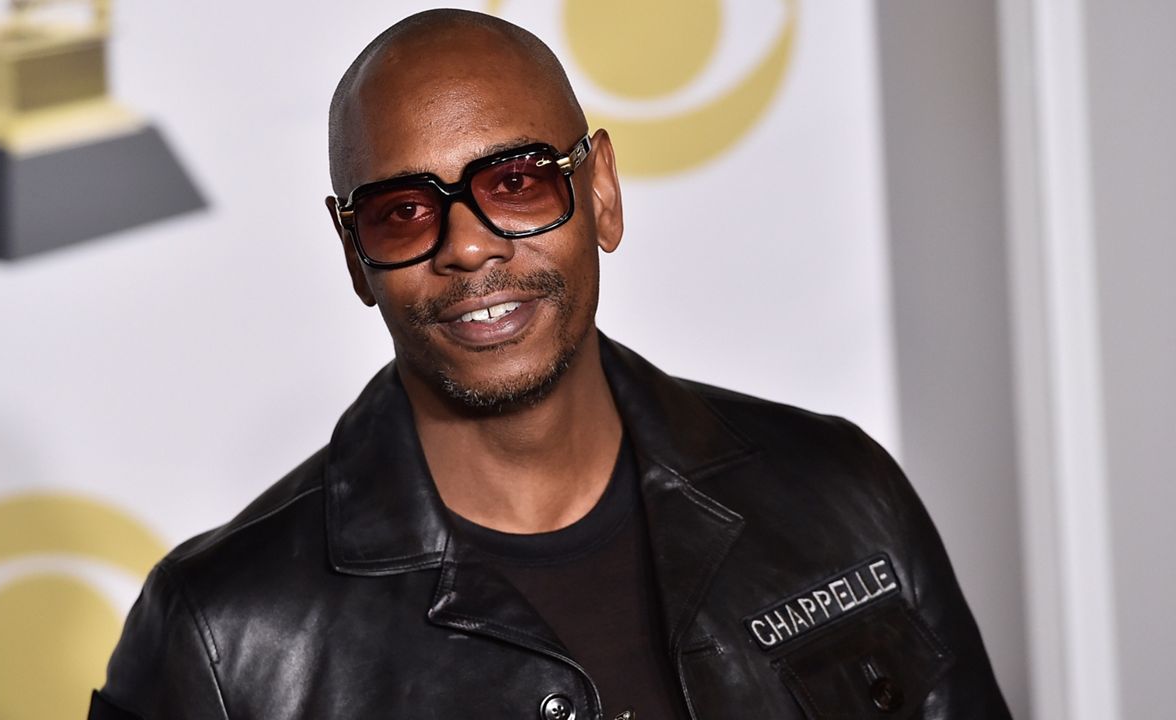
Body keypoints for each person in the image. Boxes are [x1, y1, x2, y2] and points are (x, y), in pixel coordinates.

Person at [89, 9, 1011, 720]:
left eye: (516, 182)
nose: (468, 248)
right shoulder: (223, 633)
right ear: (353, 255)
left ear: (599, 192)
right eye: (403, 212)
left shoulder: (838, 494)